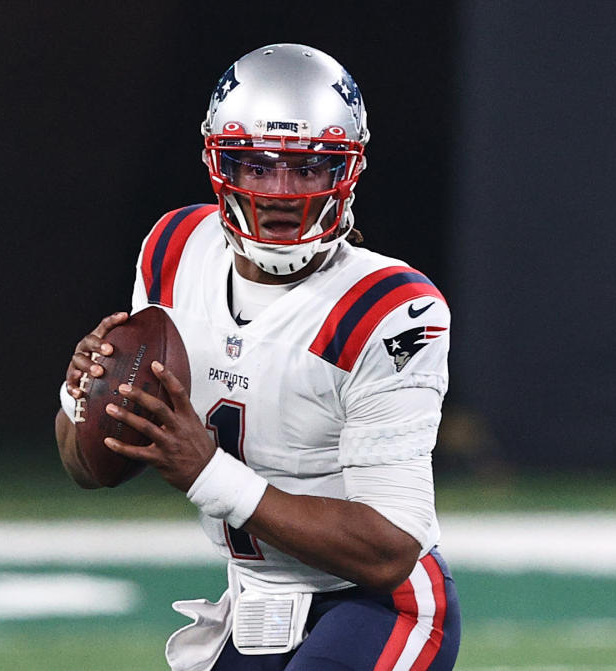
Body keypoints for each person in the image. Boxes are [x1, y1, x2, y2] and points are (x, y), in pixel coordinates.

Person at [55, 43, 461, 671]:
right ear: (221, 164)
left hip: (382, 605)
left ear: (345, 173)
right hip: (254, 600)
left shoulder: (388, 309)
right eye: (257, 165)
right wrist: (84, 396)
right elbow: (87, 468)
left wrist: (208, 473)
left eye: (308, 169)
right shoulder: (174, 251)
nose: (280, 191)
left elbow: (390, 551)